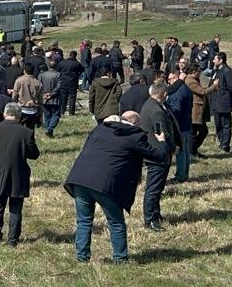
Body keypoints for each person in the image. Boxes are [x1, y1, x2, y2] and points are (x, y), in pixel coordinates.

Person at [63, 112, 168, 263]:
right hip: (106, 183)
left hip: (80, 178)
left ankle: (82, 257)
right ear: (135, 123)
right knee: (115, 222)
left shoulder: (100, 128)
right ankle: (120, 258)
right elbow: (157, 156)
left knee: (84, 221)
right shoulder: (134, 136)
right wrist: (162, 142)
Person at [0, 103, 40, 247]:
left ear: (4, 114)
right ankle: (12, 240)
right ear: (19, 116)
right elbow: (34, 154)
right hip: (18, 175)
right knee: (16, 209)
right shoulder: (26, 132)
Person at [139, 83, 182, 231]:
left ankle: (156, 215)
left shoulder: (148, 105)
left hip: (153, 152)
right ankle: (150, 219)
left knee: (157, 188)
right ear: (163, 94)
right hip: (158, 154)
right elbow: (162, 134)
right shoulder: (157, 111)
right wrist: (172, 148)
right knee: (154, 188)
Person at [209, 52, 232, 154]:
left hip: (224, 102)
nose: (213, 61)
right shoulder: (215, 71)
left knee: (225, 124)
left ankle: (225, 145)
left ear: (221, 60)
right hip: (216, 101)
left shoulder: (227, 71)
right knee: (218, 124)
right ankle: (221, 142)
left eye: (215, 59)